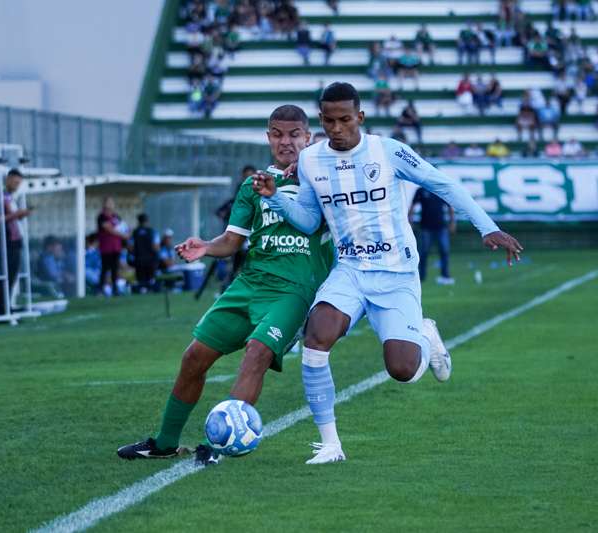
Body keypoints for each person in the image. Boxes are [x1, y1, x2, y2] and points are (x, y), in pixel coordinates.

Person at [253, 82, 522, 464]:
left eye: (345, 119)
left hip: (396, 274)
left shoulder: (388, 151)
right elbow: (311, 220)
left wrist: (486, 226)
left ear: (360, 117)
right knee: (316, 338)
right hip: (350, 270)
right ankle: (330, 444)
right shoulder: (311, 161)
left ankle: (426, 336)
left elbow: (442, 184)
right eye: (329, 121)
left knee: (401, 369)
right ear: (321, 120)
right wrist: (277, 199)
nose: (337, 128)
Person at [117, 105, 334, 465]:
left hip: (292, 291)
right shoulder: (254, 186)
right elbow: (232, 241)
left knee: (256, 353)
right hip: (248, 284)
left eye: (294, 134)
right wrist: (205, 246)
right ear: (268, 138)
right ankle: (165, 442)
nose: (286, 142)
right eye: (277, 134)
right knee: (193, 358)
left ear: (308, 137)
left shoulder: (324, 179)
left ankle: (218, 445)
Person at [0, 168, 32, 315]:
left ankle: (8, 307)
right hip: (5, 242)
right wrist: (16, 215)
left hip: (15, 241)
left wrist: (21, 215)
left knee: (12, 276)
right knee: (6, 275)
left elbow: (11, 218)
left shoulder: (10, 197)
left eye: (19, 183)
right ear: (8, 179)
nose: (16, 186)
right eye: (15, 182)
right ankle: (3, 310)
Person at [411, 189, 455, 285]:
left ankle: (445, 276)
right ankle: (421, 277)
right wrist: (410, 222)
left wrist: (452, 223)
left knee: (444, 251)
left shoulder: (439, 189)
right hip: (425, 227)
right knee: (423, 253)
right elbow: (412, 207)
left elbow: (450, 206)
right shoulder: (421, 190)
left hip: (441, 227)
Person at [97, 196, 128, 297]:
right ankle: (100, 289)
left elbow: (123, 227)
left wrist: (127, 233)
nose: (109, 204)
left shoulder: (116, 216)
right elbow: (108, 228)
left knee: (115, 268)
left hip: (116, 247)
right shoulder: (101, 217)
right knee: (105, 268)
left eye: (111, 202)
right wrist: (122, 235)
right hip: (106, 247)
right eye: (108, 202)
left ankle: (115, 289)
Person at [129, 213, 160, 293]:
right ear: (147, 221)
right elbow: (155, 247)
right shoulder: (152, 232)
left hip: (139, 259)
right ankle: (150, 290)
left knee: (141, 280)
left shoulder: (134, 233)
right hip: (151, 260)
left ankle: (143, 290)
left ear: (138, 221)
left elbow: (130, 247)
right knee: (151, 279)